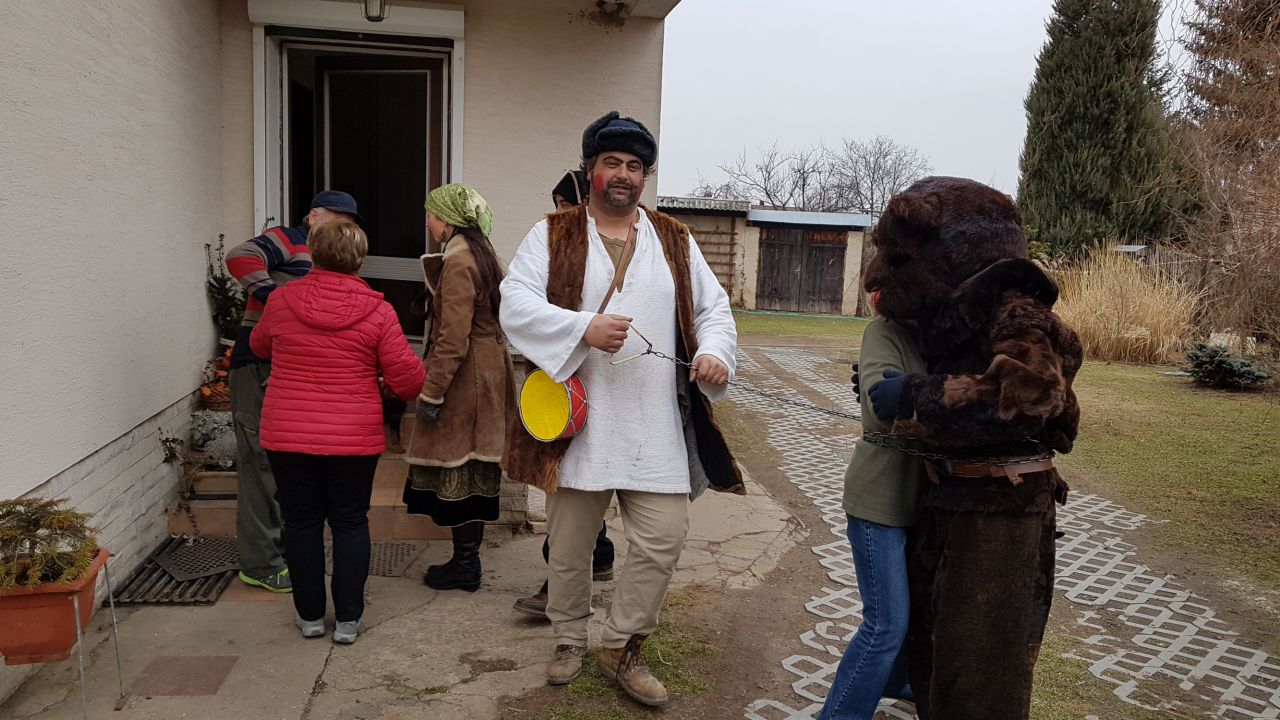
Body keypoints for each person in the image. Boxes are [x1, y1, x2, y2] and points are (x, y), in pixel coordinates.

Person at [500, 111, 743, 708]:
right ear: (590, 169)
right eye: (612, 163)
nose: (624, 175)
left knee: (664, 539)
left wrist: (714, 353)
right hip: (579, 425)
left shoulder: (675, 239)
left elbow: (713, 309)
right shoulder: (553, 233)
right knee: (569, 550)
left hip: (654, 425)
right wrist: (583, 328)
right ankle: (568, 636)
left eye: (635, 166)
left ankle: (621, 645)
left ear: (644, 177)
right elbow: (514, 303)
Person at [863, 177, 1079, 720]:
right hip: (949, 502)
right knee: (934, 657)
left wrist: (919, 394)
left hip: (999, 515)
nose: (878, 273)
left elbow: (1037, 395)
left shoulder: (1016, 311)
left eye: (898, 258)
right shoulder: (954, 321)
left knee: (983, 673)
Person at [249, 220, 425, 644]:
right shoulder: (378, 311)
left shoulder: (282, 300)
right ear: (360, 260)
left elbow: (259, 346)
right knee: (349, 522)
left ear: (312, 253)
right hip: (353, 437)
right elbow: (408, 382)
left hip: (288, 433)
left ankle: (310, 617)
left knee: (300, 523)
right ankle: (347, 620)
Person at [225, 190, 361, 593]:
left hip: (283, 367)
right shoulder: (288, 238)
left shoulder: (323, 256)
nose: (344, 228)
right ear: (314, 215)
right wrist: (277, 299)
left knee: (281, 466)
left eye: (350, 224)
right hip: (257, 364)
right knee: (259, 466)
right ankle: (260, 564)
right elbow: (239, 255)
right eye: (338, 219)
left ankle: (282, 554)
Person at [817, 285, 927, 719]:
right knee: (885, 624)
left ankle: (900, 683)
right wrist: (935, 398)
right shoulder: (884, 331)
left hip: (926, 500)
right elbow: (882, 411)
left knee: (916, 614)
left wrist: (922, 391)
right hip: (879, 497)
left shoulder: (942, 338)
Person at [401, 184, 518, 592]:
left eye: (431, 214)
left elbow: (452, 339)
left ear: (448, 219)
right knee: (473, 468)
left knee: (461, 466)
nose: (428, 222)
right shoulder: (482, 255)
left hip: (469, 377)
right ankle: (466, 561)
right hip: (487, 371)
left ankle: (466, 565)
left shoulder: (459, 261)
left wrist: (432, 392)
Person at [513, 170, 616, 621]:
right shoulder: (552, 247)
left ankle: (560, 586)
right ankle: (599, 556)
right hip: (559, 383)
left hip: (589, 384)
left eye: (565, 204)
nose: (558, 214)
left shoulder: (598, 253)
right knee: (575, 486)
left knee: (571, 486)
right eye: (557, 205)